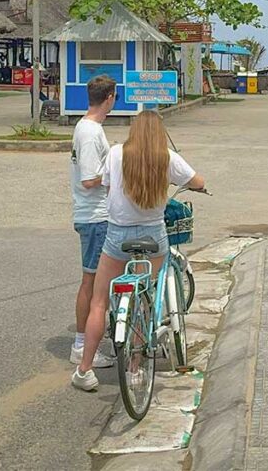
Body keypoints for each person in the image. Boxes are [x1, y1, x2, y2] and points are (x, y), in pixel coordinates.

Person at [72, 110, 206, 391]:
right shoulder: (166, 157)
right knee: (145, 298)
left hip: (117, 235)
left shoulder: (117, 153)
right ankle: (135, 369)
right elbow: (199, 181)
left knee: (99, 302)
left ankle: (84, 370)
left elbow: (108, 190)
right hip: (154, 236)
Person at [69, 75, 117, 369]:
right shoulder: (89, 132)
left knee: (99, 282)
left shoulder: (91, 129)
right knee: (93, 282)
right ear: (110, 97)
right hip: (94, 216)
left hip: (98, 214)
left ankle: (89, 339)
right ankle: (82, 345)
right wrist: (114, 172)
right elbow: (89, 179)